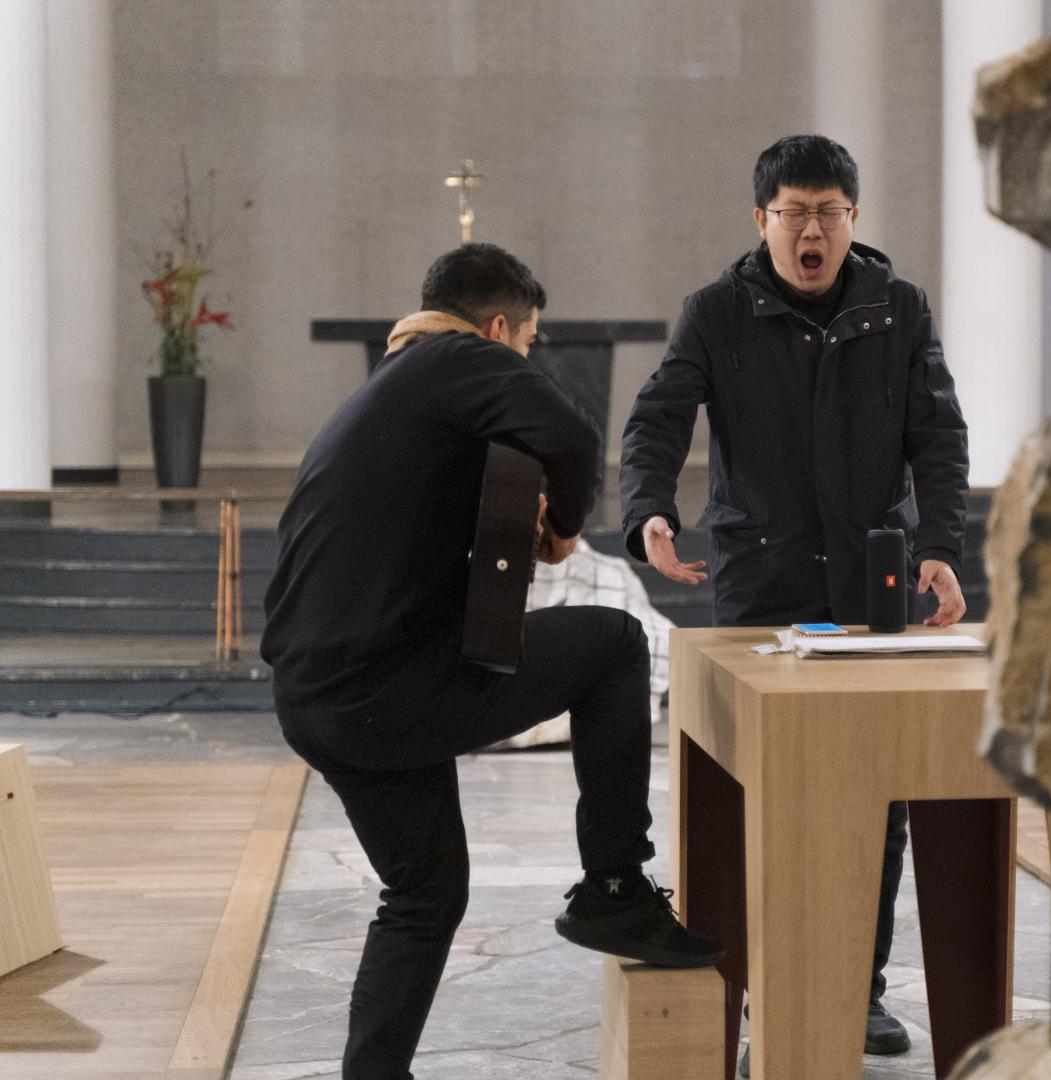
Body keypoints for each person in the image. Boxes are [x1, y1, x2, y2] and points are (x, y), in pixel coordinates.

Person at [262, 242, 720, 1079]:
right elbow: (570, 436)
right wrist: (568, 529)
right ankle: (614, 887)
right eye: (528, 342)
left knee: (426, 896)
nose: (525, 358)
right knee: (617, 642)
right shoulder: (456, 358)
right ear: (500, 326)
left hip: (316, 697)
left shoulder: (390, 390)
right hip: (390, 688)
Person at [620, 135, 970, 1069]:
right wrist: (652, 510)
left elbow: (938, 437)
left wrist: (940, 547)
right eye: (793, 214)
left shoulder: (898, 309)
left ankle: (860, 990)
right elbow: (657, 418)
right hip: (761, 578)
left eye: (828, 213)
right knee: (751, 788)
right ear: (762, 221)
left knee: (881, 784)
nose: (811, 231)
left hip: (871, 578)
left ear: (853, 220)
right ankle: (744, 988)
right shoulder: (716, 313)